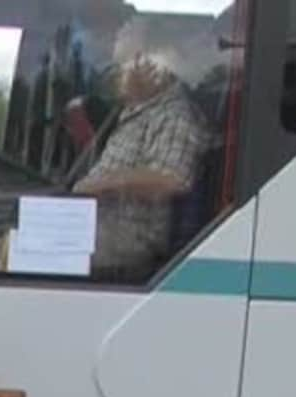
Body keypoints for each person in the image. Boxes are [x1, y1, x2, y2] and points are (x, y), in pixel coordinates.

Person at [72, 22, 211, 283]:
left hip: (130, 241)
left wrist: (99, 186)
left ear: (151, 65)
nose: (116, 76)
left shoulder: (174, 116)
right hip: (99, 226)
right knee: (10, 238)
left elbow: (172, 179)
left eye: (122, 65)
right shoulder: (136, 110)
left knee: (19, 252)